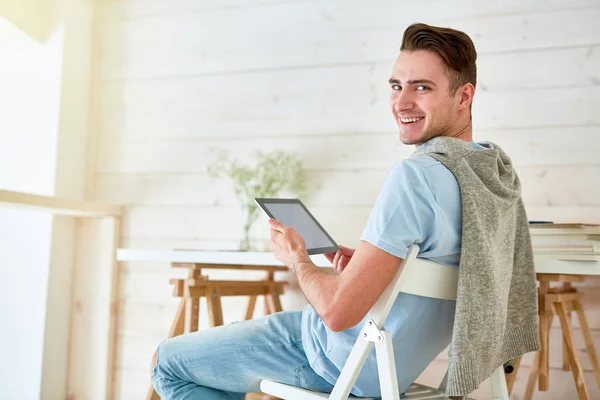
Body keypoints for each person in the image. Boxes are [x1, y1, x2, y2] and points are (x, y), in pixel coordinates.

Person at [150, 22, 538, 400]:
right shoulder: (492, 181)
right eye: (396, 86)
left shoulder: (417, 176)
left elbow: (337, 314)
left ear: (463, 96)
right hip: (390, 370)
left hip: (331, 357)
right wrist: (373, 269)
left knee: (167, 362)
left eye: (422, 87)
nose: (402, 102)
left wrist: (298, 259)